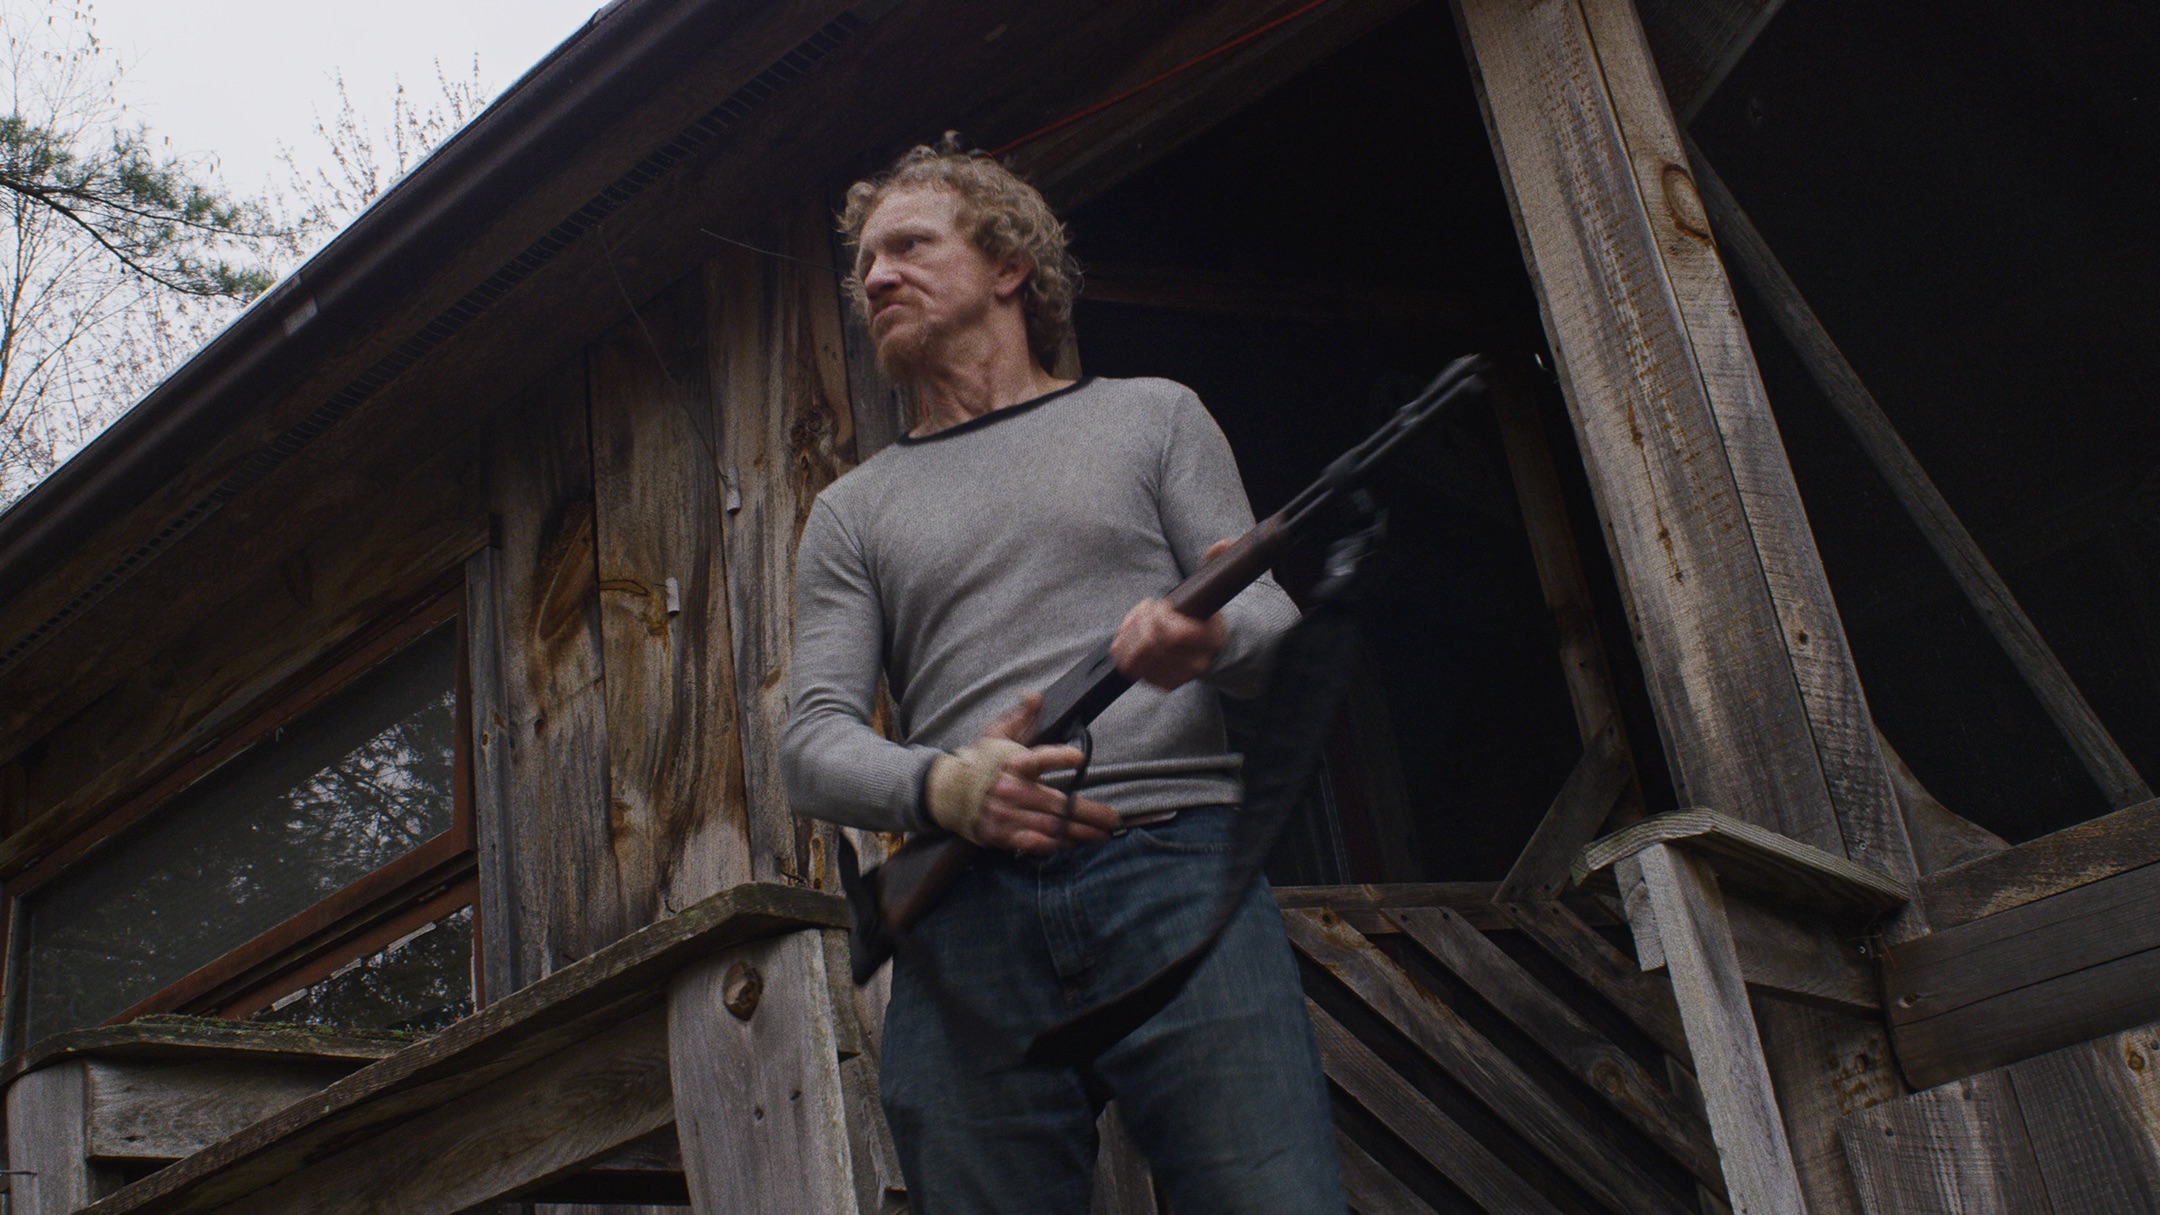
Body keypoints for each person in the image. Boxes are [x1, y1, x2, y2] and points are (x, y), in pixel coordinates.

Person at [780, 136, 1344, 1215]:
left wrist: (1206, 645)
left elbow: (1273, 627)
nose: (876, 278)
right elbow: (810, 746)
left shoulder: (1153, 416)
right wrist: (947, 786)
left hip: (1178, 863)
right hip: (962, 915)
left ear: (1009, 265)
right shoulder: (851, 511)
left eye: (909, 247)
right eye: (865, 265)